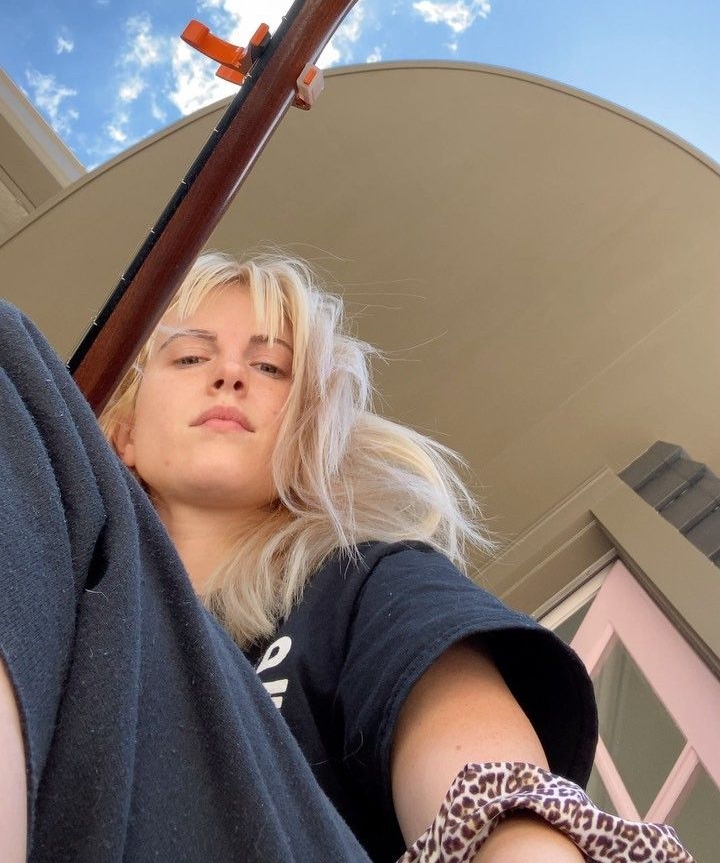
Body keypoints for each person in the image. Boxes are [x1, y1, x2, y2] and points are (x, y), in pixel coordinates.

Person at [0, 252, 692, 863]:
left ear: (305, 436)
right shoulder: (56, 590)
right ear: (122, 434)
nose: (231, 375)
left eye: (270, 367)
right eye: (189, 356)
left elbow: (494, 802)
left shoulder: (367, 582)